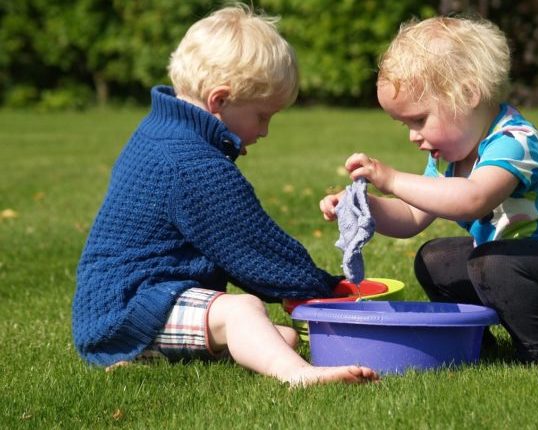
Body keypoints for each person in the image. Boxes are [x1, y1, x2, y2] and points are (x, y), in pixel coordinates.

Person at [72, 4, 378, 387]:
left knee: (277, 337)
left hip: (137, 303)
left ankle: (145, 359)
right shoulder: (191, 163)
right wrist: (322, 288)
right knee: (243, 311)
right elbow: (254, 248)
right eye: (262, 116)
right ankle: (300, 376)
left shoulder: (162, 132)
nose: (265, 131)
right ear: (219, 101)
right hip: (128, 310)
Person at [320, 16, 538, 363]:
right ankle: (475, 345)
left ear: (468, 94)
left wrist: (391, 178)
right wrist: (361, 206)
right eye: (405, 124)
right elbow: (413, 215)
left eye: (419, 120)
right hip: (515, 267)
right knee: (434, 259)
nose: (412, 136)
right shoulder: (450, 158)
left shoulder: (515, 140)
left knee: (490, 263)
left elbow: (473, 200)